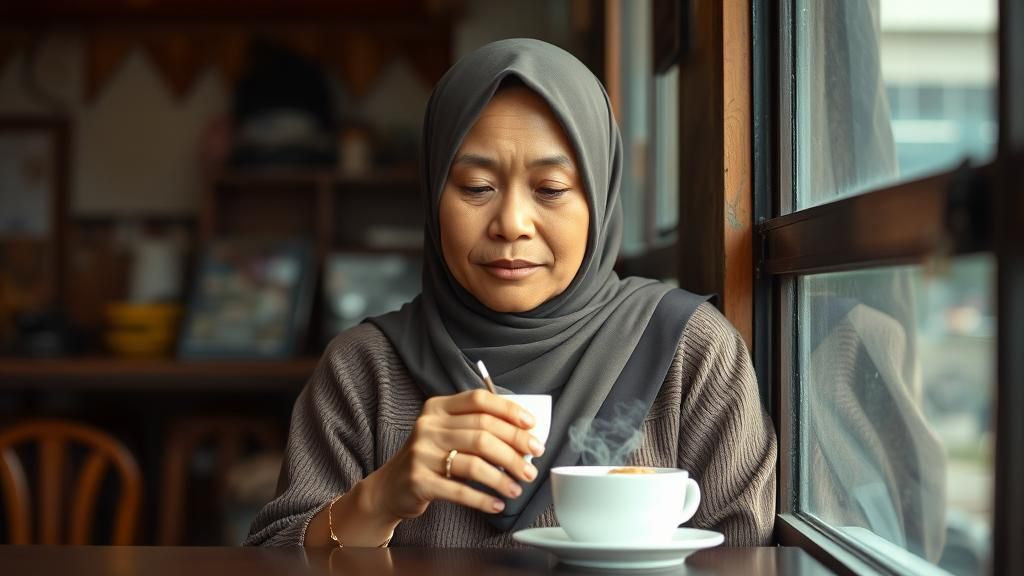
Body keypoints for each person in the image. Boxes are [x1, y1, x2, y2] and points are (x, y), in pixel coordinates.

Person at [245, 38, 776, 548]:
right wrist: (379, 499)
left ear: (600, 197)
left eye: (550, 190)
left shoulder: (688, 352)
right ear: (432, 195)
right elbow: (273, 557)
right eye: (477, 188)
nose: (512, 224)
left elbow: (747, 556)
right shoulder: (364, 370)